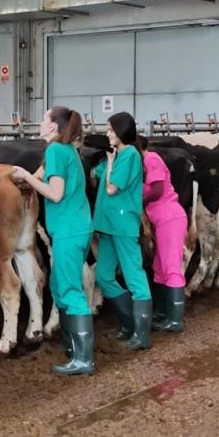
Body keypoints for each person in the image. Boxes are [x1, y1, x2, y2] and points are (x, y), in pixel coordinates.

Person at [10, 107, 94, 375]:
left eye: (44, 120)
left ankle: (83, 358)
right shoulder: (67, 150)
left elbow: (55, 194)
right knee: (59, 285)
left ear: (54, 128)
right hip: (74, 227)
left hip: (70, 229)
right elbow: (44, 176)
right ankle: (73, 349)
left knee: (69, 290)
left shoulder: (57, 151)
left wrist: (25, 178)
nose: (40, 123)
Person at [92, 112, 152, 350]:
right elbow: (95, 173)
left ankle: (142, 335)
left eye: (110, 130)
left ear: (120, 131)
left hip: (123, 224)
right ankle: (130, 323)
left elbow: (110, 188)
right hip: (107, 225)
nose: (107, 134)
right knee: (104, 276)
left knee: (135, 276)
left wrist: (108, 163)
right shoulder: (118, 155)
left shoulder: (129, 156)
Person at [136, 136, 188, 332]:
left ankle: (175, 320)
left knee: (171, 267)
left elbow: (157, 190)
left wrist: (137, 200)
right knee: (159, 267)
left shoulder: (152, 159)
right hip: (161, 221)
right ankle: (161, 313)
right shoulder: (144, 162)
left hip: (170, 218)